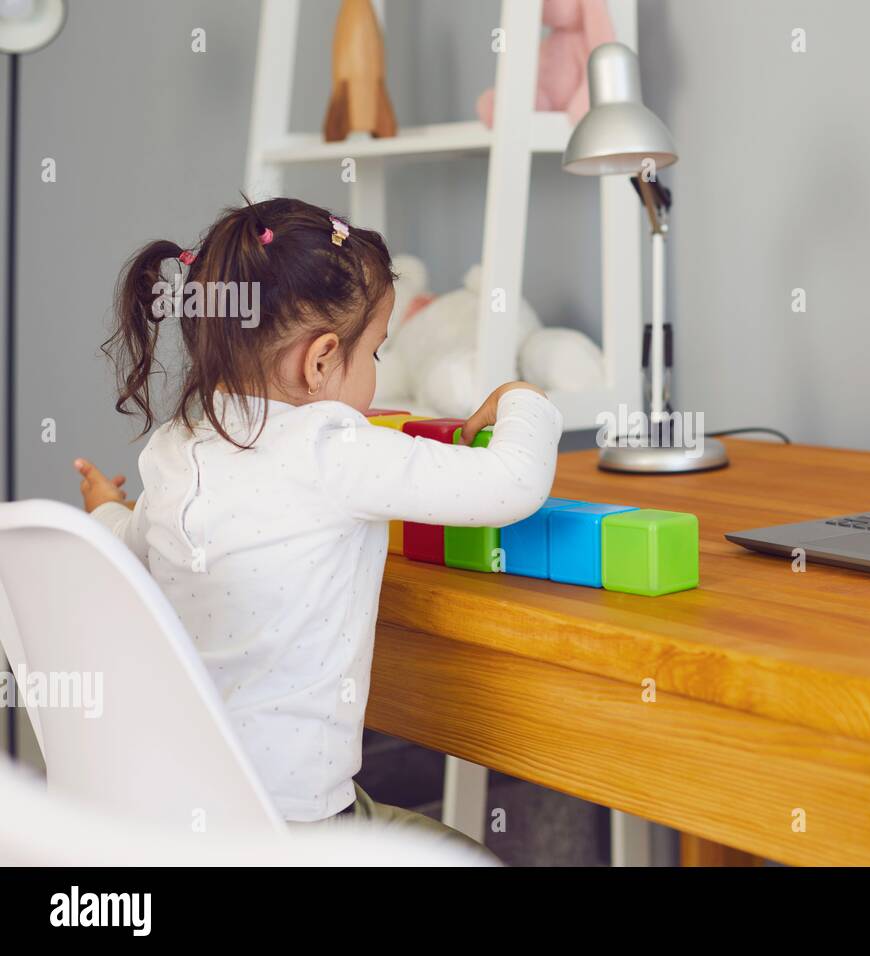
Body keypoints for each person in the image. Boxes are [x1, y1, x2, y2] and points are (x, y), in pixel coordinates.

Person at [73, 197, 561, 854]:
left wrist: (105, 505)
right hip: (299, 833)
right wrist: (525, 400)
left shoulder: (174, 448)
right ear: (322, 360)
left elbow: (125, 550)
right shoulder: (337, 449)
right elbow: (513, 485)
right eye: (376, 354)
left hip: (182, 824)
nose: (375, 377)